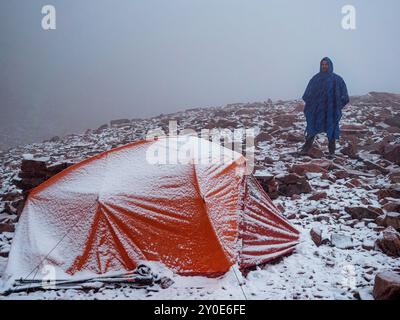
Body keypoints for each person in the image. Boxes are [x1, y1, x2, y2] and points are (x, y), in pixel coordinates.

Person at [300, 57, 349, 157]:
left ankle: (332, 152)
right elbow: (307, 94)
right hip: (317, 110)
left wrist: (336, 106)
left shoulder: (337, 79)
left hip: (330, 110)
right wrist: (313, 104)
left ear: (330, 65)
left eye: (326, 64)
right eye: (322, 64)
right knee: (312, 127)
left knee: (331, 128)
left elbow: (344, 96)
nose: (324, 66)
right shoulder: (315, 79)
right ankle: (305, 149)